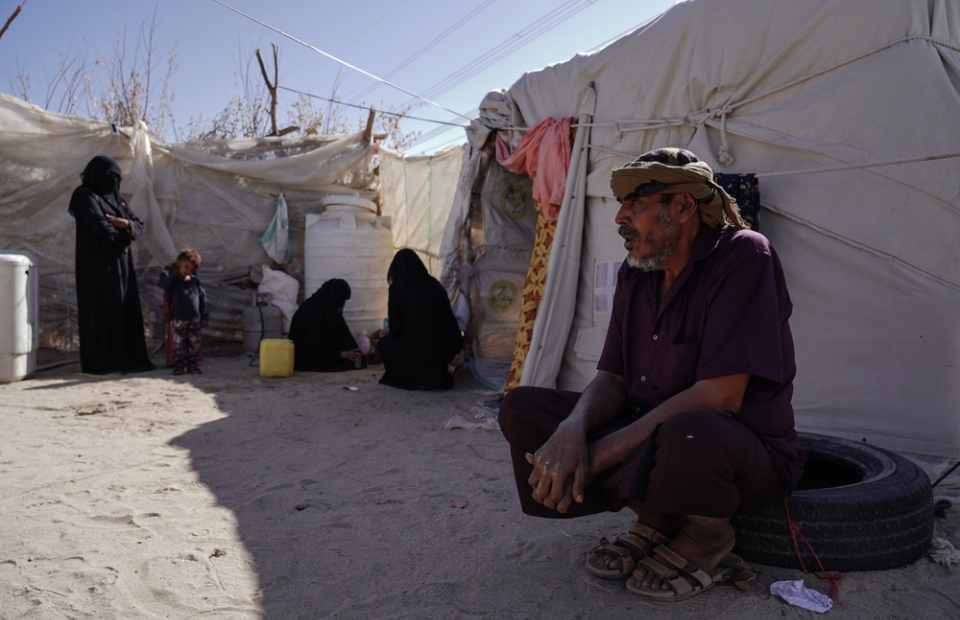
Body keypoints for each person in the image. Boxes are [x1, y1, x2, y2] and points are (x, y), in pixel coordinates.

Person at [498, 148, 805, 602]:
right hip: (658, 438)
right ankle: (657, 519)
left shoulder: (744, 254)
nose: (621, 217)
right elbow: (612, 377)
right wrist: (572, 431)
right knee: (522, 408)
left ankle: (708, 535)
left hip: (736, 452)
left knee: (691, 433)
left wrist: (596, 455)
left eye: (636, 204)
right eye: (621, 205)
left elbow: (721, 397)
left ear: (683, 206)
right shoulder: (636, 272)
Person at [68, 155, 155, 375]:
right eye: (107, 176)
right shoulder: (84, 196)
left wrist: (123, 223)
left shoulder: (119, 202)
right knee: (100, 311)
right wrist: (125, 237)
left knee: (124, 309)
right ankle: (101, 363)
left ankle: (124, 360)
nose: (112, 181)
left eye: (116, 177)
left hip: (121, 265)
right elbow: (99, 226)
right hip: (95, 266)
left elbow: (139, 224)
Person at [376, 249, 463, 390]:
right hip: (448, 347)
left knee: (384, 344)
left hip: (421, 350)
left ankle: (408, 377)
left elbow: (396, 328)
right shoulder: (433, 284)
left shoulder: (398, 287)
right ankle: (433, 373)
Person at [288, 279, 364, 372]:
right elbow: (312, 344)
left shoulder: (327, 308)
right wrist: (339, 354)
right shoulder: (313, 310)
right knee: (338, 364)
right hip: (305, 356)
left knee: (337, 321)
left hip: (319, 350)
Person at [159, 249, 209, 375]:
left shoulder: (195, 281)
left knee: (194, 343)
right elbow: (163, 282)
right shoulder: (173, 281)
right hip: (178, 318)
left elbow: (203, 299)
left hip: (194, 319)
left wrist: (204, 316)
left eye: (191, 269)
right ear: (178, 263)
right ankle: (178, 365)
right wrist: (170, 269)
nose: (188, 271)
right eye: (186, 267)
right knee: (178, 344)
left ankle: (192, 365)